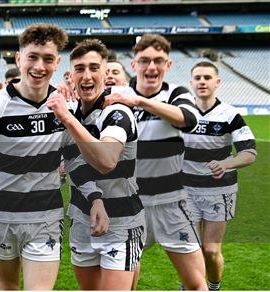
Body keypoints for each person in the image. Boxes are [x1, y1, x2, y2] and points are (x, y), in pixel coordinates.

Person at [0, 24, 108, 290]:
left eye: (48, 59)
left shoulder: (63, 109)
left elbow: (74, 158)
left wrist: (95, 198)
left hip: (44, 218)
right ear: (18, 59)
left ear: (58, 62)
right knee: (8, 287)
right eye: (32, 57)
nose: (39, 66)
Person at [104, 34, 207, 290]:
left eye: (159, 61)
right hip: (127, 205)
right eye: (145, 61)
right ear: (134, 64)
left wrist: (139, 102)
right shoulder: (115, 95)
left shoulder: (176, 93)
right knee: (125, 283)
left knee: (196, 284)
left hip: (170, 203)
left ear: (168, 65)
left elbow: (188, 119)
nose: (152, 67)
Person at [47, 38, 144, 290]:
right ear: (71, 75)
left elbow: (107, 161)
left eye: (94, 68)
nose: (87, 75)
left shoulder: (117, 113)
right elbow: (72, 160)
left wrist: (67, 119)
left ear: (105, 73)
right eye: (80, 69)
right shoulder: (72, 111)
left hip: (121, 222)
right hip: (81, 218)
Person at [184, 61, 257, 291]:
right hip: (186, 190)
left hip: (219, 191)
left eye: (207, 77)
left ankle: (214, 287)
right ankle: (190, 286)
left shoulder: (230, 114)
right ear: (191, 83)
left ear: (217, 82)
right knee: (190, 248)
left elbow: (249, 153)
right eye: (197, 78)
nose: (202, 82)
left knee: (211, 250)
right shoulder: (181, 114)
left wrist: (227, 163)